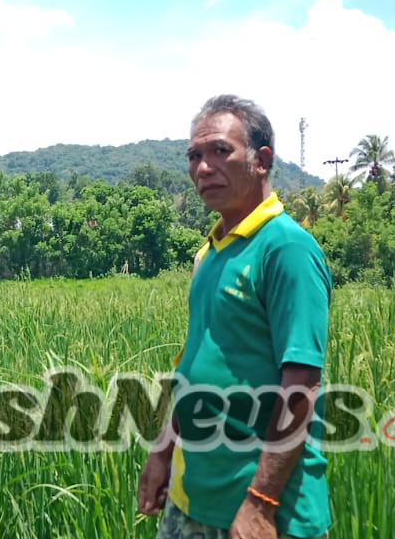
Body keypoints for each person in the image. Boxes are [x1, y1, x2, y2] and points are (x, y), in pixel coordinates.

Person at [137, 95, 333, 539]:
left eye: (220, 151)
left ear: (261, 160)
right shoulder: (208, 253)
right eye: (194, 156)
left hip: (261, 513)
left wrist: (260, 503)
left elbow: (301, 382)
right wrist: (163, 450)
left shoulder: (286, 248)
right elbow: (193, 364)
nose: (203, 168)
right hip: (193, 499)